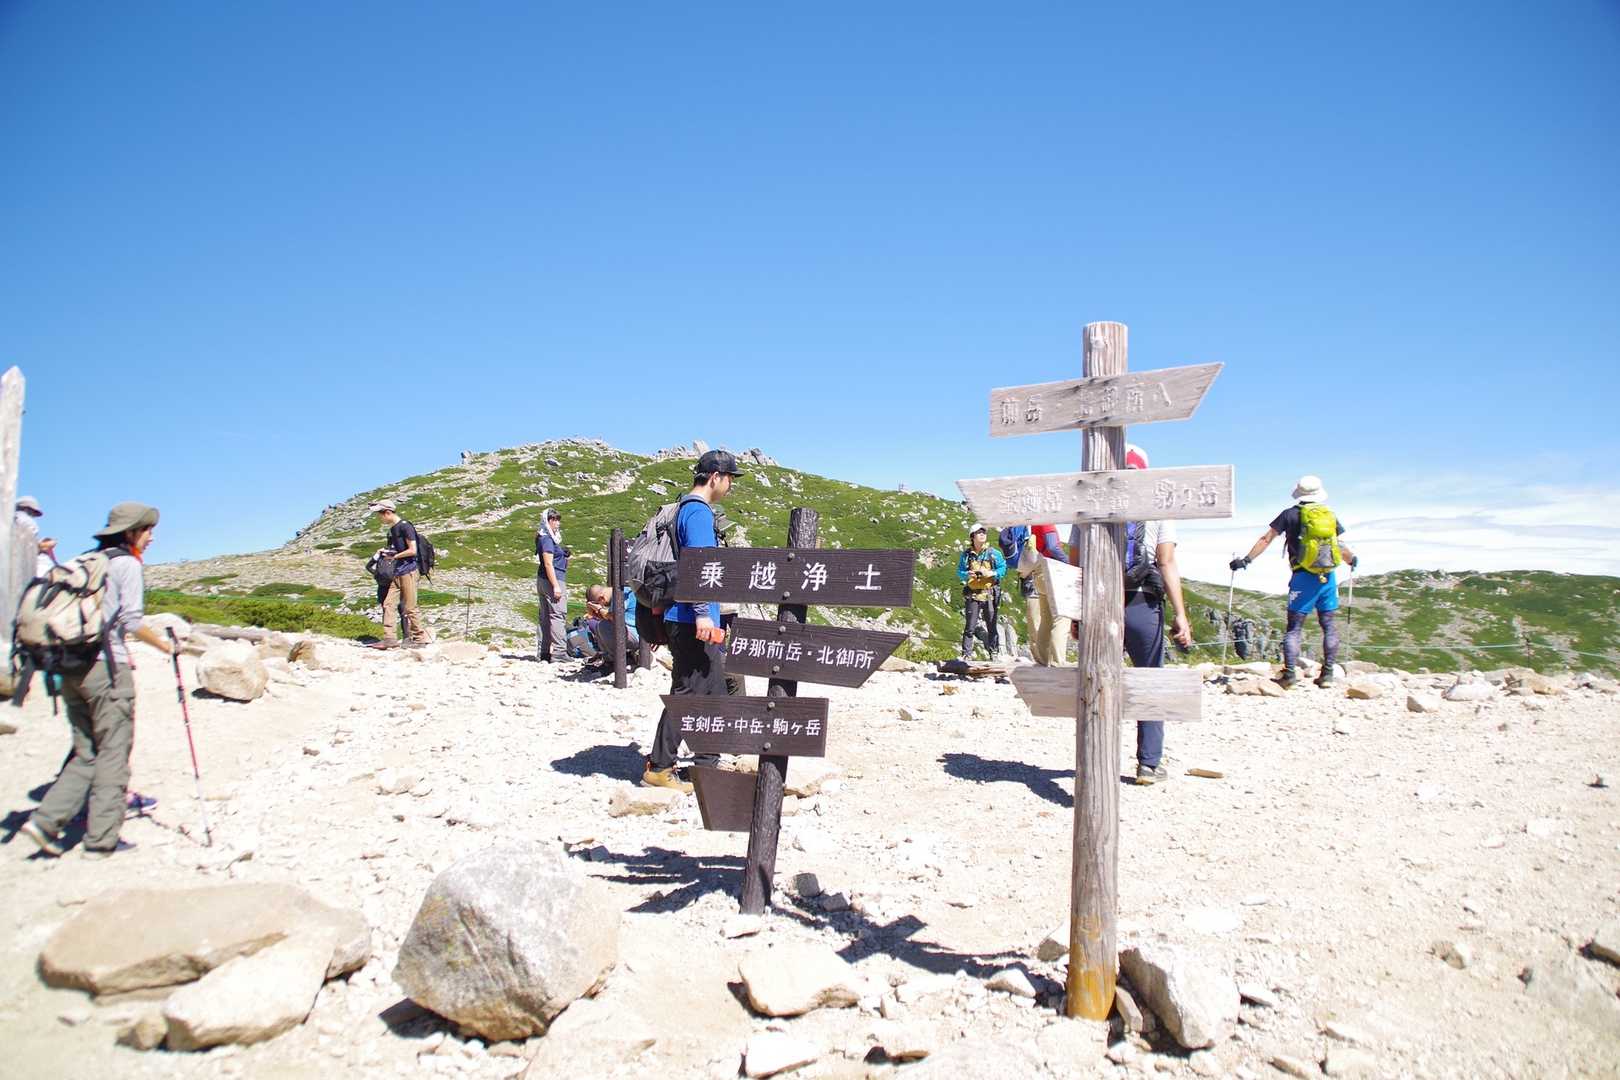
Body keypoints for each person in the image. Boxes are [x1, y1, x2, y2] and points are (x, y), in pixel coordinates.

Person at [18, 502, 178, 859]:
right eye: (147, 530)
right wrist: (168, 646)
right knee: (113, 752)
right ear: (131, 532)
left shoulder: (87, 560)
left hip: (70, 668)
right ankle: (102, 839)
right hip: (107, 667)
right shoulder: (127, 564)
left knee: (87, 751)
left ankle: (46, 821)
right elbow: (131, 620)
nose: (151, 537)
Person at [1068, 445, 1194, 785]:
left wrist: (1077, 613)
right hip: (1142, 603)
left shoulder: (1087, 507)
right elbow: (1165, 561)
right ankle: (1148, 764)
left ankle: (1095, 758)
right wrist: (1180, 614)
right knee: (1149, 679)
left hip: (1099, 602)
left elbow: (1076, 562)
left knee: (1096, 679)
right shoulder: (1157, 507)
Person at [642, 449, 744, 792]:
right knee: (688, 692)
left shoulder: (682, 508)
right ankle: (659, 768)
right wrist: (703, 615)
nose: (730, 486)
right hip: (692, 619)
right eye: (730, 479)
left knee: (711, 689)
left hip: (684, 615)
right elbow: (700, 566)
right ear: (715, 477)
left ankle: (706, 765)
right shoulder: (698, 512)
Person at [1230, 475, 1358, 689]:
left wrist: (1246, 560)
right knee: (1328, 626)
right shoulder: (1329, 515)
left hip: (1302, 578)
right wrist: (1351, 560)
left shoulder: (1289, 515)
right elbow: (1339, 545)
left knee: (1294, 628)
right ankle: (1327, 674)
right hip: (1328, 576)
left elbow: (1266, 539)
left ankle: (1289, 675)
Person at [369, 500, 428, 646]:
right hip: (398, 571)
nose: (379, 518)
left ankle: (419, 638)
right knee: (388, 604)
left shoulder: (405, 526)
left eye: (380, 515)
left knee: (410, 607)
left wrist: (394, 556)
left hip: (409, 570)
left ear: (388, 513)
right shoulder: (393, 529)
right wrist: (389, 552)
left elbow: (412, 550)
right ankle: (389, 638)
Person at [1022, 523, 1071, 666]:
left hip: (1040, 573)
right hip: (1053, 572)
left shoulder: (1036, 524)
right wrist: (1069, 563)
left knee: (1046, 619)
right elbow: (1053, 547)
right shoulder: (1047, 523)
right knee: (1061, 618)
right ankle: (1058, 662)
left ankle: (1043, 660)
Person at [956, 524, 1006, 660]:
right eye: (979, 532)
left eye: (984, 532)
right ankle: (966, 654)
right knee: (970, 627)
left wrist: (991, 573)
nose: (982, 534)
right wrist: (967, 574)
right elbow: (959, 572)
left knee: (992, 625)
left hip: (989, 594)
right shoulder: (967, 555)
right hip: (973, 594)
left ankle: (994, 653)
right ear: (972, 537)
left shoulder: (994, 553)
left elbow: (1003, 568)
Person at [535, 508, 570, 662]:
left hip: (542, 580)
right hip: (553, 580)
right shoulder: (548, 539)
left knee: (544, 616)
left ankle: (543, 652)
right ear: (547, 521)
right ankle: (559, 652)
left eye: (557, 519)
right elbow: (548, 564)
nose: (557, 523)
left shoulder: (543, 537)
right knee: (557, 615)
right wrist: (556, 585)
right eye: (553, 520)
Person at [583, 582, 640, 665]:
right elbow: (610, 618)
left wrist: (599, 609)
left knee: (603, 626)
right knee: (600, 625)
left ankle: (615, 660)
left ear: (602, 598)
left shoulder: (620, 594)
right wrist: (596, 614)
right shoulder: (617, 594)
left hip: (635, 634)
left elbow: (616, 618)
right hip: (631, 632)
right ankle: (608, 657)